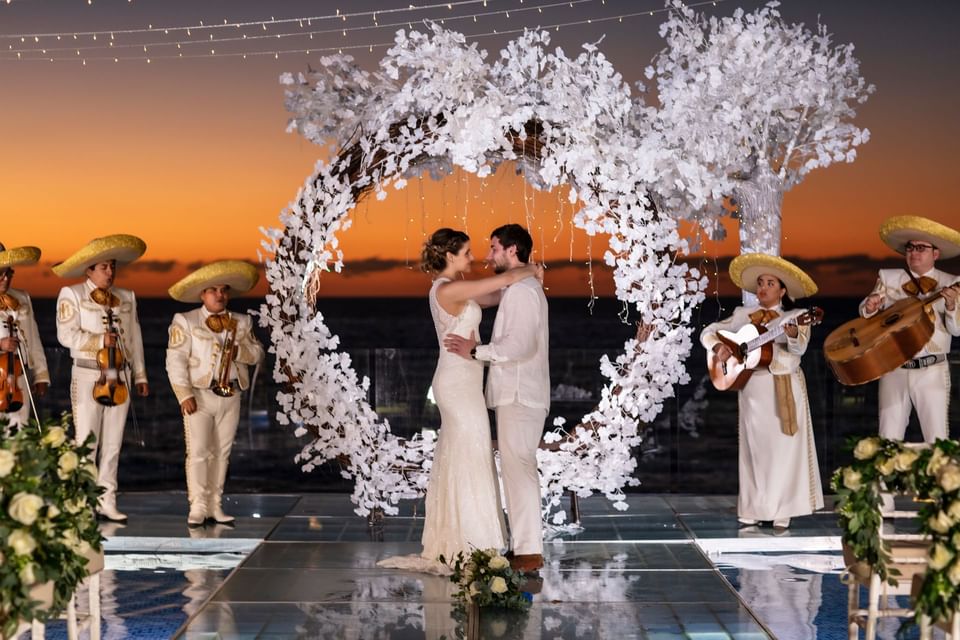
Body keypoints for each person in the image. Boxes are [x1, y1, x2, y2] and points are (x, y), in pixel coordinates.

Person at [377, 228, 541, 575]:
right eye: (466, 252)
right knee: (471, 452)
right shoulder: (448, 288)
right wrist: (533, 270)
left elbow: (497, 296)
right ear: (450, 256)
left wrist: (522, 284)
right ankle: (471, 542)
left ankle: (468, 538)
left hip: (467, 380)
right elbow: (504, 280)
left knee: (468, 453)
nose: (473, 258)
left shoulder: (457, 291)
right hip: (456, 382)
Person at [444, 224, 550, 574]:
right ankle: (524, 547)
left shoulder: (522, 292)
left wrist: (477, 351)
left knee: (519, 469)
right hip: (520, 392)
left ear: (512, 250)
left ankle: (528, 552)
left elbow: (520, 347)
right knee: (519, 468)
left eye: (493, 249)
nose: (488, 256)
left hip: (519, 393)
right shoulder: (519, 288)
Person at [700, 253, 823, 531]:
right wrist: (717, 347)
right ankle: (753, 508)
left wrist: (791, 333)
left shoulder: (795, 317)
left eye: (770, 283)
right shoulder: (744, 315)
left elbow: (798, 349)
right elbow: (708, 331)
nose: (763, 288)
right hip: (752, 387)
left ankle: (782, 509)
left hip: (783, 386)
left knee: (783, 449)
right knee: (755, 451)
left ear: (782, 290)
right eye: (760, 283)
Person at [54, 234, 149, 522]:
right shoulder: (71, 294)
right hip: (87, 374)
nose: (110, 272)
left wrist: (141, 374)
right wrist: (98, 340)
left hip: (120, 376)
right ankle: (84, 500)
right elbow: (66, 335)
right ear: (89, 270)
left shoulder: (127, 297)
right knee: (87, 441)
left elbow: (135, 338)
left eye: (112, 267)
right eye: (104, 267)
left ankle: (108, 499)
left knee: (113, 442)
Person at [165, 260, 265, 526]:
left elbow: (258, 354)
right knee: (198, 452)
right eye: (213, 290)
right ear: (202, 295)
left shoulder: (242, 322)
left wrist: (239, 352)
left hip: (231, 394)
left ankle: (215, 505)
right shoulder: (184, 320)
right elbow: (175, 360)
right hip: (199, 395)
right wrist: (183, 394)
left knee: (222, 452)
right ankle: (197, 506)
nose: (220, 295)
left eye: (223, 290)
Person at [860, 215, 960, 442]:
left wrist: (952, 305)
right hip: (894, 368)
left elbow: (956, 330)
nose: (914, 253)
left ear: (935, 253)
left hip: (932, 371)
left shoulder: (951, 282)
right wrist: (869, 306)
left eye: (921, 248)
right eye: (910, 248)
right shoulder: (888, 277)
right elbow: (865, 313)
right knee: (887, 439)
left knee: (937, 441)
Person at [0, 244, 50, 432]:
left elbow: (33, 338)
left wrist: (40, 375)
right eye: (0, 274)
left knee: (20, 434)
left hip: (19, 378)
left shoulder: (22, 297)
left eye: (9, 273)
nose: (5, 278)